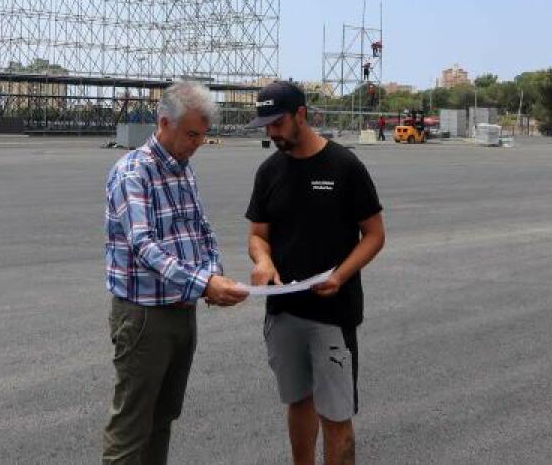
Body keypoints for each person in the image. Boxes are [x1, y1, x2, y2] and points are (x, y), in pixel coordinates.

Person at [102, 81, 248, 465]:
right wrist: (204, 283)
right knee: (131, 429)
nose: (198, 143)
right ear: (164, 123)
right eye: (192, 134)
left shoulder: (183, 170)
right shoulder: (134, 172)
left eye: (203, 135)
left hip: (182, 312)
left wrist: (214, 272)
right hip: (145, 316)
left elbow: (201, 230)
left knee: (163, 418)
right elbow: (144, 245)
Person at [244, 80, 386, 464]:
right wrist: (263, 261)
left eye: (277, 124)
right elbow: (257, 235)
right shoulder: (269, 171)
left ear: (301, 116)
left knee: (336, 416)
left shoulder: (344, 166)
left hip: (332, 315)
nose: (271, 134)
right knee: (298, 403)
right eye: (266, 126)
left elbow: (374, 235)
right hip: (283, 313)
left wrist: (341, 275)